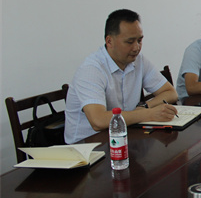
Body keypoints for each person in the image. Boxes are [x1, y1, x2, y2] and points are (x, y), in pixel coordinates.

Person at [65, 10, 178, 144]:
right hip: (88, 147)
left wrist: (145, 106)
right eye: (130, 42)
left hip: (124, 136)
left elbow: (171, 93)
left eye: (140, 40)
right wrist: (149, 114)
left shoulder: (138, 60)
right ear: (109, 41)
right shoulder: (91, 70)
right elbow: (98, 121)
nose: (136, 48)